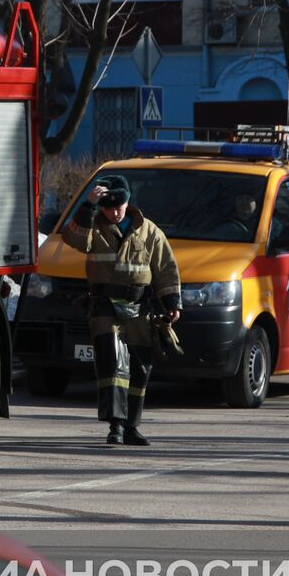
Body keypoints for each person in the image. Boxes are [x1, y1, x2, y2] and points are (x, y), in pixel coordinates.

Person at [62, 174, 182, 446]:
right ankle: (115, 425)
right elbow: (73, 239)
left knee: (140, 367)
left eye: (120, 206)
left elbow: (165, 269)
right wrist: (88, 205)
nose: (115, 213)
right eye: (108, 207)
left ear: (129, 202)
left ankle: (131, 426)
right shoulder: (92, 226)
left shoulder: (150, 231)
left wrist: (172, 303)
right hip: (105, 307)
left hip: (140, 309)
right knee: (113, 364)